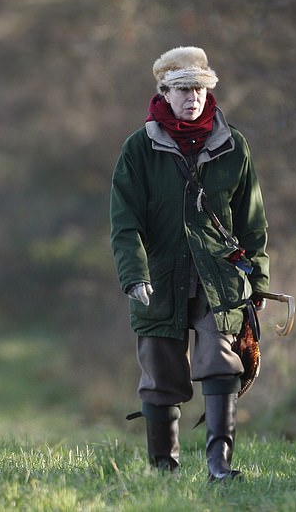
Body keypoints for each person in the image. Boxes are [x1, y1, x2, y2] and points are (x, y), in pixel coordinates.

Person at [109, 46, 269, 481]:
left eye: (199, 88)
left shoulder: (234, 145)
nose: (192, 97)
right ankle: (165, 469)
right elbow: (125, 224)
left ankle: (219, 466)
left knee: (223, 363)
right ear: (163, 92)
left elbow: (252, 221)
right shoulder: (138, 149)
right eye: (182, 90)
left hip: (220, 278)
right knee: (161, 373)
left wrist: (257, 278)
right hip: (159, 277)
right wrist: (134, 275)